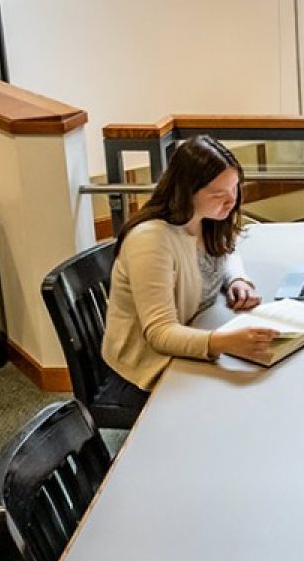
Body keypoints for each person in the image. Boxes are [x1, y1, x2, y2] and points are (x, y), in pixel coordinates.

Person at [100, 135, 267, 413]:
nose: (231, 201)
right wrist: (222, 343)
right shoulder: (151, 241)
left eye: (235, 188)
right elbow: (159, 333)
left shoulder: (206, 219)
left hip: (193, 335)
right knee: (243, 400)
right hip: (144, 371)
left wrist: (237, 279)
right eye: (218, 194)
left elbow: (227, 251)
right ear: (186, 192)